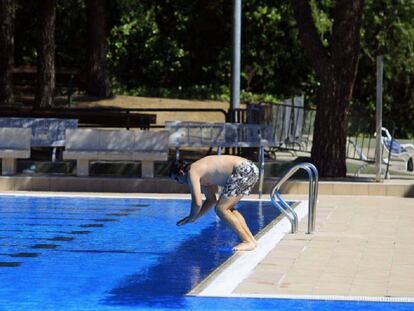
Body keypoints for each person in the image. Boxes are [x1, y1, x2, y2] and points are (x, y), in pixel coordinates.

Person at [169, 155, 259, 251]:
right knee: (228, 208)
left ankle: (247, 241)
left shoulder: (192, 172)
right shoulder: (201, 173)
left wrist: (191, 217)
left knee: (221, 209)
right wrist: (195, 217)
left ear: (181, 173)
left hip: (243, 169)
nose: (179, 182)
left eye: (177, 179)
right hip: (249, 168)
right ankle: (250, 239)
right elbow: (211, 200)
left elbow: (197, 203)